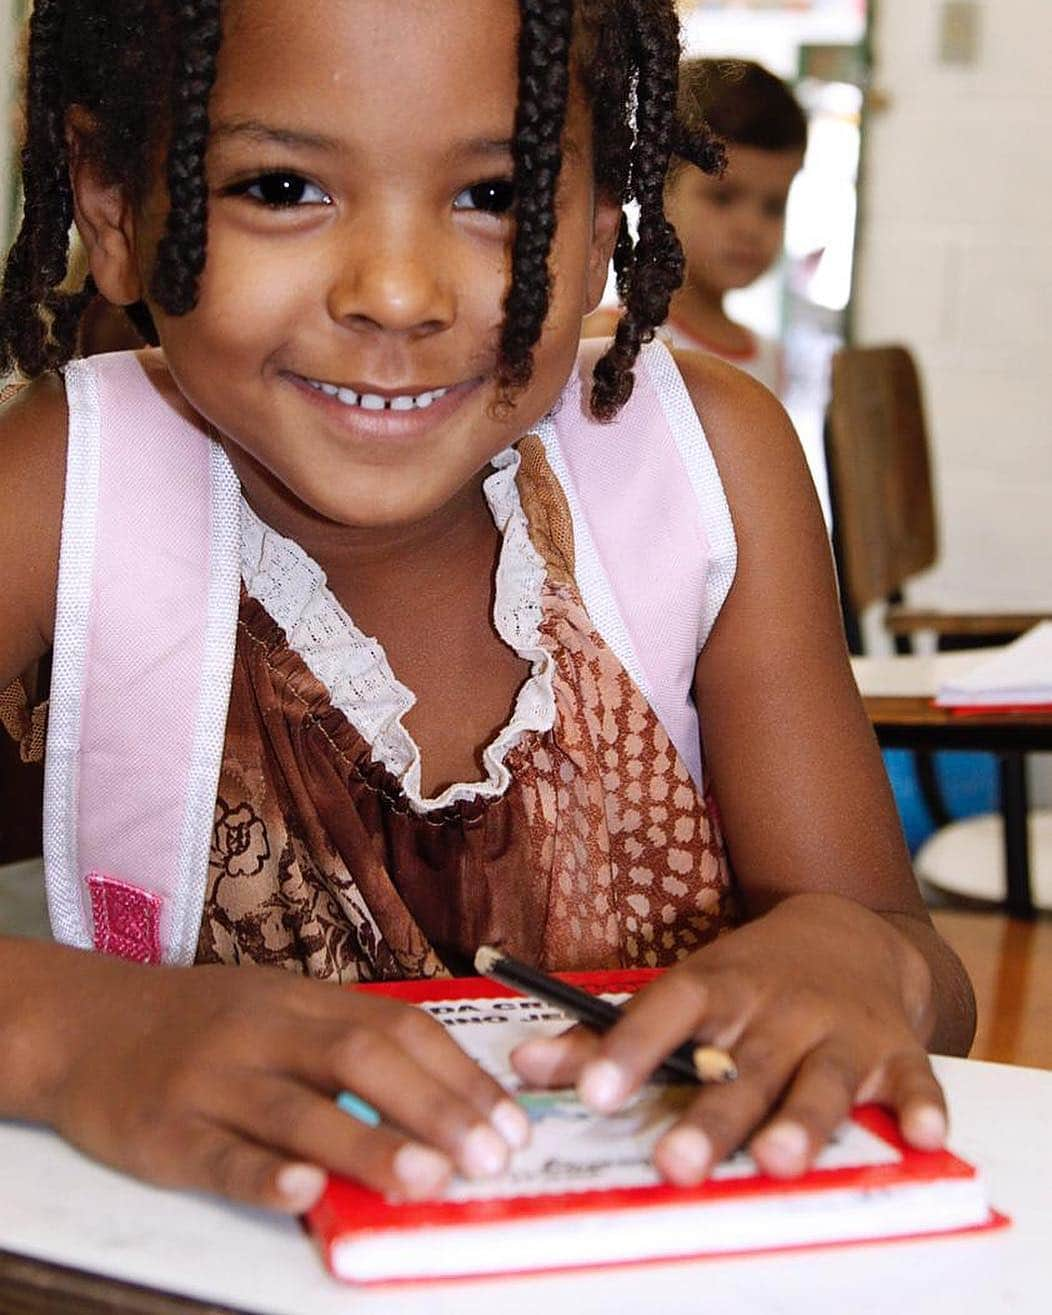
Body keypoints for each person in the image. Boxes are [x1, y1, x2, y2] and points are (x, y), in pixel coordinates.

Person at [0, 0, 973, 1222]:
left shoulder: (707, 468)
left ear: (597, 224)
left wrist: (861, 959)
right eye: (285, 185)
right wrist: (79, 1036)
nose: (396, 294)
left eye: (496, 196)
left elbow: (910, 957)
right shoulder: (60, 486)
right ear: (112, 212)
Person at [584, 57, 807, 395]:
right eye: (722, 198)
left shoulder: (771, 358)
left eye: (773, 206)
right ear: (659, 188)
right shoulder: (614, 339)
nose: (750, 227)